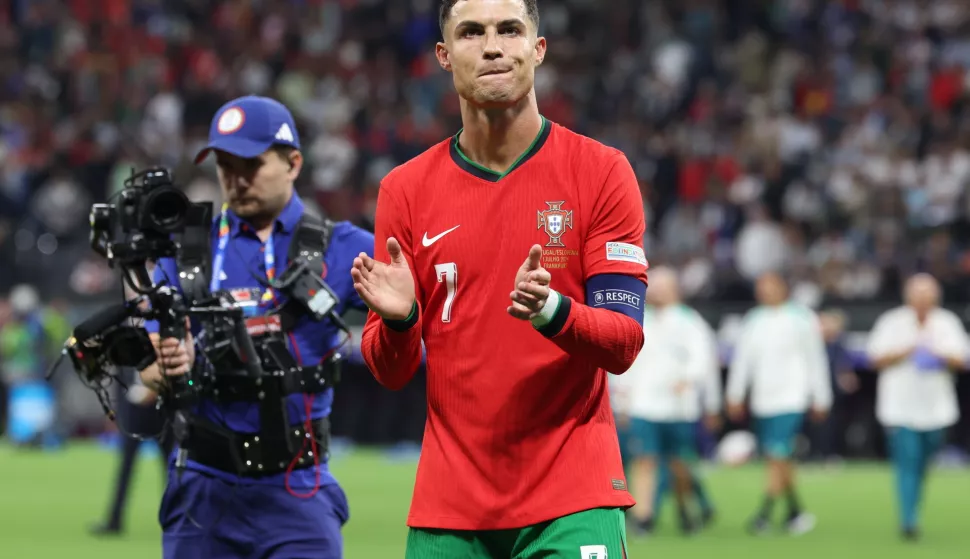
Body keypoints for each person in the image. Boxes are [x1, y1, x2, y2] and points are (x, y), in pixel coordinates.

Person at [353, 0, 649, 557]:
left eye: (509, 29)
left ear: (538, 48)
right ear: (444, 55)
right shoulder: (405, 189)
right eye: (471, 32)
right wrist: (400, 322)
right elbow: (390, 373)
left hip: (572, 496)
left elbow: (623, 341)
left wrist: (552, 311)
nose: (492, 46)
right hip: (451, 505)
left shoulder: (602, 171)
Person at [140, 95, 374, 558]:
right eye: (225, 166)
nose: (235, 179)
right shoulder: (186, 249)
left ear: (293, 163)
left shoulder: (343, 247)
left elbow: (421, 315)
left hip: (297, 488)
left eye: (250, 164)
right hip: (204, 490)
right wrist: (167, 364)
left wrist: (401, 314)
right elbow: (148, 362)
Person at [608, 267, 718, 536]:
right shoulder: (638, 319)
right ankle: (644, 518)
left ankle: (683, 507)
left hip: (678, 406)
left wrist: (689, 379)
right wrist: (621, 396)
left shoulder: (690, 322)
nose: (655, 291)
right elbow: (625, 360)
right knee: (643, 459)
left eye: (661, 286)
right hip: (643, 404)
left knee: (679, 464)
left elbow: (703, 359)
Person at [725, 272, 831, 536]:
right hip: (763, 399)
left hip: (792, 397)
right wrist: (735, 393)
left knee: (777, 454)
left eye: (770, 286)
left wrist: (821, 396)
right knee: (779, 457)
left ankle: (764, 514)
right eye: (761, 287)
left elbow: (815, 359)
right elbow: (742, 362)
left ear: (783, 288)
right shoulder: (753, 321)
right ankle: (796, 511)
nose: (765, 291)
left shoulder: (802, 318)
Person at [866, 273, 968, 541]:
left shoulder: (947, 322)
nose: (923, 300)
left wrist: (937, 354)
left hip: (937, 408)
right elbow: (874, 358)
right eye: (918, 294)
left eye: (928, 294)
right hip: (900, 408)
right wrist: (907, 350)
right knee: (907, 461)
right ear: (908, 296)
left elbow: (962, 359)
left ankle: (913, 505)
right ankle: (908, 519)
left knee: (924, 460)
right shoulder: (891, 322)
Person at [90, 370, 173, 536]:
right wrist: (115, 412)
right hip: (133, 412)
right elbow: (120, 379)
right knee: (125, 467)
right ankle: (114, 520)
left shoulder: (163, 345)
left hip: (161, 411)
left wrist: (155, 391)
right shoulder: (128, 347)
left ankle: (173, 521)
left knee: (170, 468)